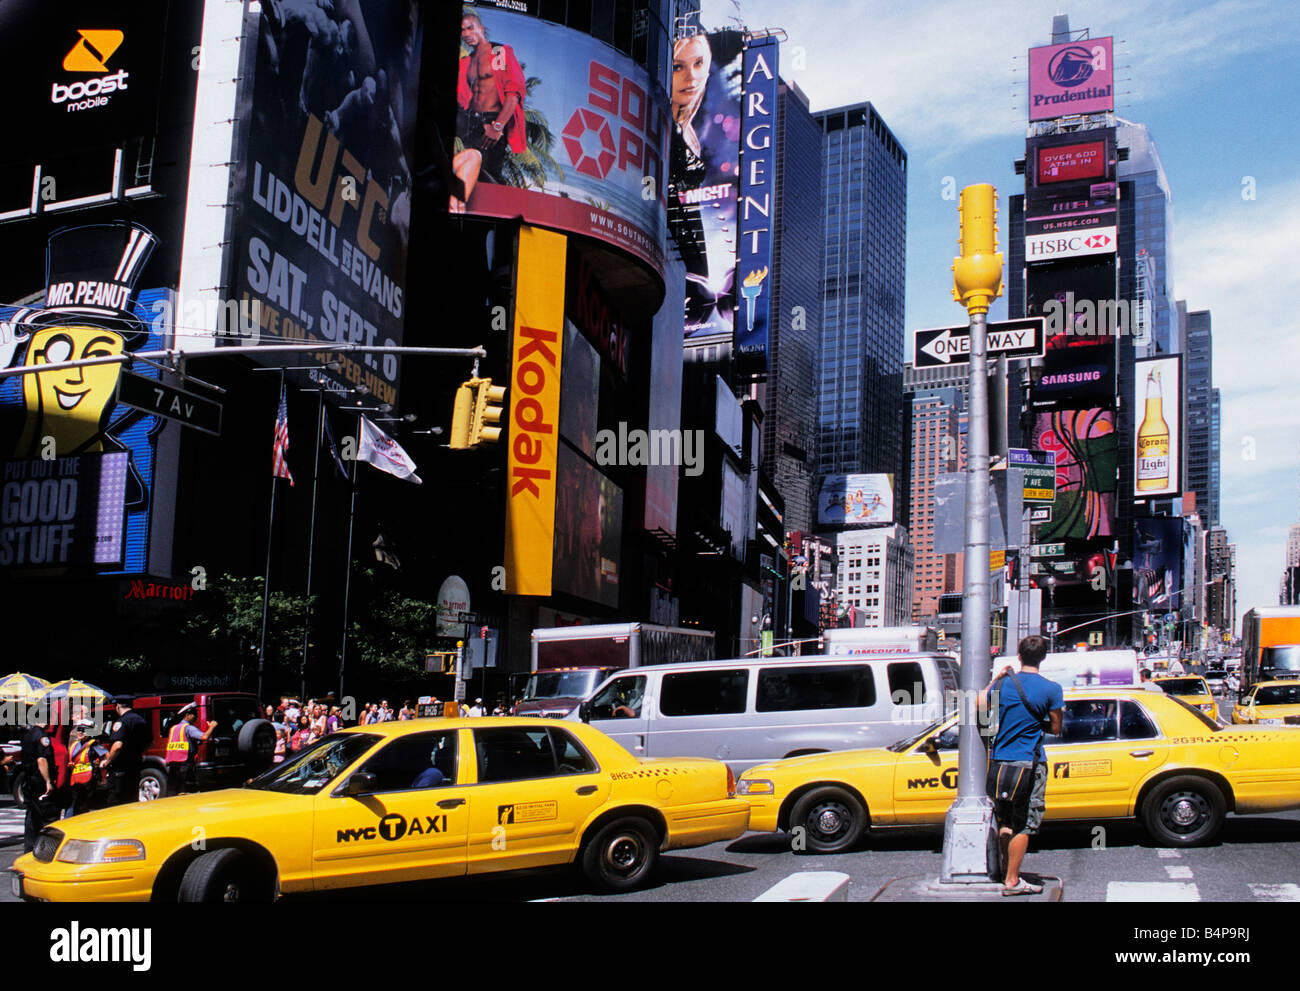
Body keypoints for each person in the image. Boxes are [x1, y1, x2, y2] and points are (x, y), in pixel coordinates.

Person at [980, 635, 1064, 896]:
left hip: (1000, 762)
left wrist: (997, 678)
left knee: (1005, 819)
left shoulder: (1003, 685)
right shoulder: (1051, 689)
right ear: (1044, 657)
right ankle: (1013, 881)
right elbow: (1057, 728)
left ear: (1019, 656)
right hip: (1029, 763)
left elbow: (978, 704)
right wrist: (1037, 722)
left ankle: (1008, 871)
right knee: (1024, 823)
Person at [451, 11, 526, 212]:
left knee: (483, 177)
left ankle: (458, 210)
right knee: (465, 169)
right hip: (468, 125)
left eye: (470, 28)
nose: (466, 33)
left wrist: (498, 126)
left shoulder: (499, 52)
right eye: (462, 31)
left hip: (492, 126)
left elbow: (514, 92)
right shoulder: (466, 62)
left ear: (481, 29)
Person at [103, 696, 151, 806]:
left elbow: (117, 745)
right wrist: (137, 752)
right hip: (135, 768)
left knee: (115, 803)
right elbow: (150, 743)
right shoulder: (142, 720)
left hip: (120, 771)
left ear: (117, 706)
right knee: (131, 802)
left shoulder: (121, 722)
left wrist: (108, 761)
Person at [164, 705, 218, 796]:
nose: (196, 717)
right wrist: (212, 727)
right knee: (187, 792)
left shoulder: (173, 728)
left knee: (173, 791)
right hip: (185, 763)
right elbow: (204, 737)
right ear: (187, 715)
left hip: (173, 764)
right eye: (194, 715)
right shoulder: (188, 728)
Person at [20, 720, 57, 852]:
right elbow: (41, 759)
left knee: (32, 815)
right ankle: (48, 850)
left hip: (28, 780)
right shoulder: (42, 736)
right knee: (48, 816)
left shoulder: (28, 735)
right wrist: (47, 781)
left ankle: (29, 849)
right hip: (39, 781)